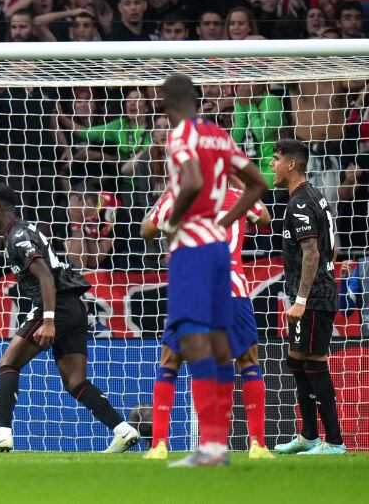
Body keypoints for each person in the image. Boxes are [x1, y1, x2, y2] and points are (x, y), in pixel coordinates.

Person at [0, 183, 140, 453]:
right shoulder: (23, 230)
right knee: (75, 381)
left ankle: (1, 433)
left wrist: (48, 320)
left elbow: (45, 275)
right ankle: (122, 429)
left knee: (8, 362)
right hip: (73, 307)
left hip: (56, 306)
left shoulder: (18, 236)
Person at [157, 73, 267, 467]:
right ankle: (217, 447)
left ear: (167, 99)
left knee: (192, 339)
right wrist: (224, 222)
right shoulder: (220, 136)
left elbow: (191, 181)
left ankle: (210, 448)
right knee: (220, 341)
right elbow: (258, 183)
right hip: (221, 250)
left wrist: (174, 224)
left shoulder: (180, 134)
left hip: (192, 247)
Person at [141, 183, 273, 460]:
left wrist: (166, 193)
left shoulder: (179, 195)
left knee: (170, 362)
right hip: (232, 286)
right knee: (248, 361)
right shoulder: (238, 195)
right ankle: (257, 445)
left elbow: (146, 230)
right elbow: (265, 219)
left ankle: (159, 445)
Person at [270, 139, 346, 455]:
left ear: (291, 164)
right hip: (313, 293)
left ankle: (334, 442)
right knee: (296, 361)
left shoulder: (300, 203)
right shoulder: (313, 197)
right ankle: (309, 435)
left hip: (314, 297)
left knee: (314, 363)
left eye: (275, 159)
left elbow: (312, 253)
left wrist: (301, 300)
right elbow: (333, 248)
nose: (271, 164)